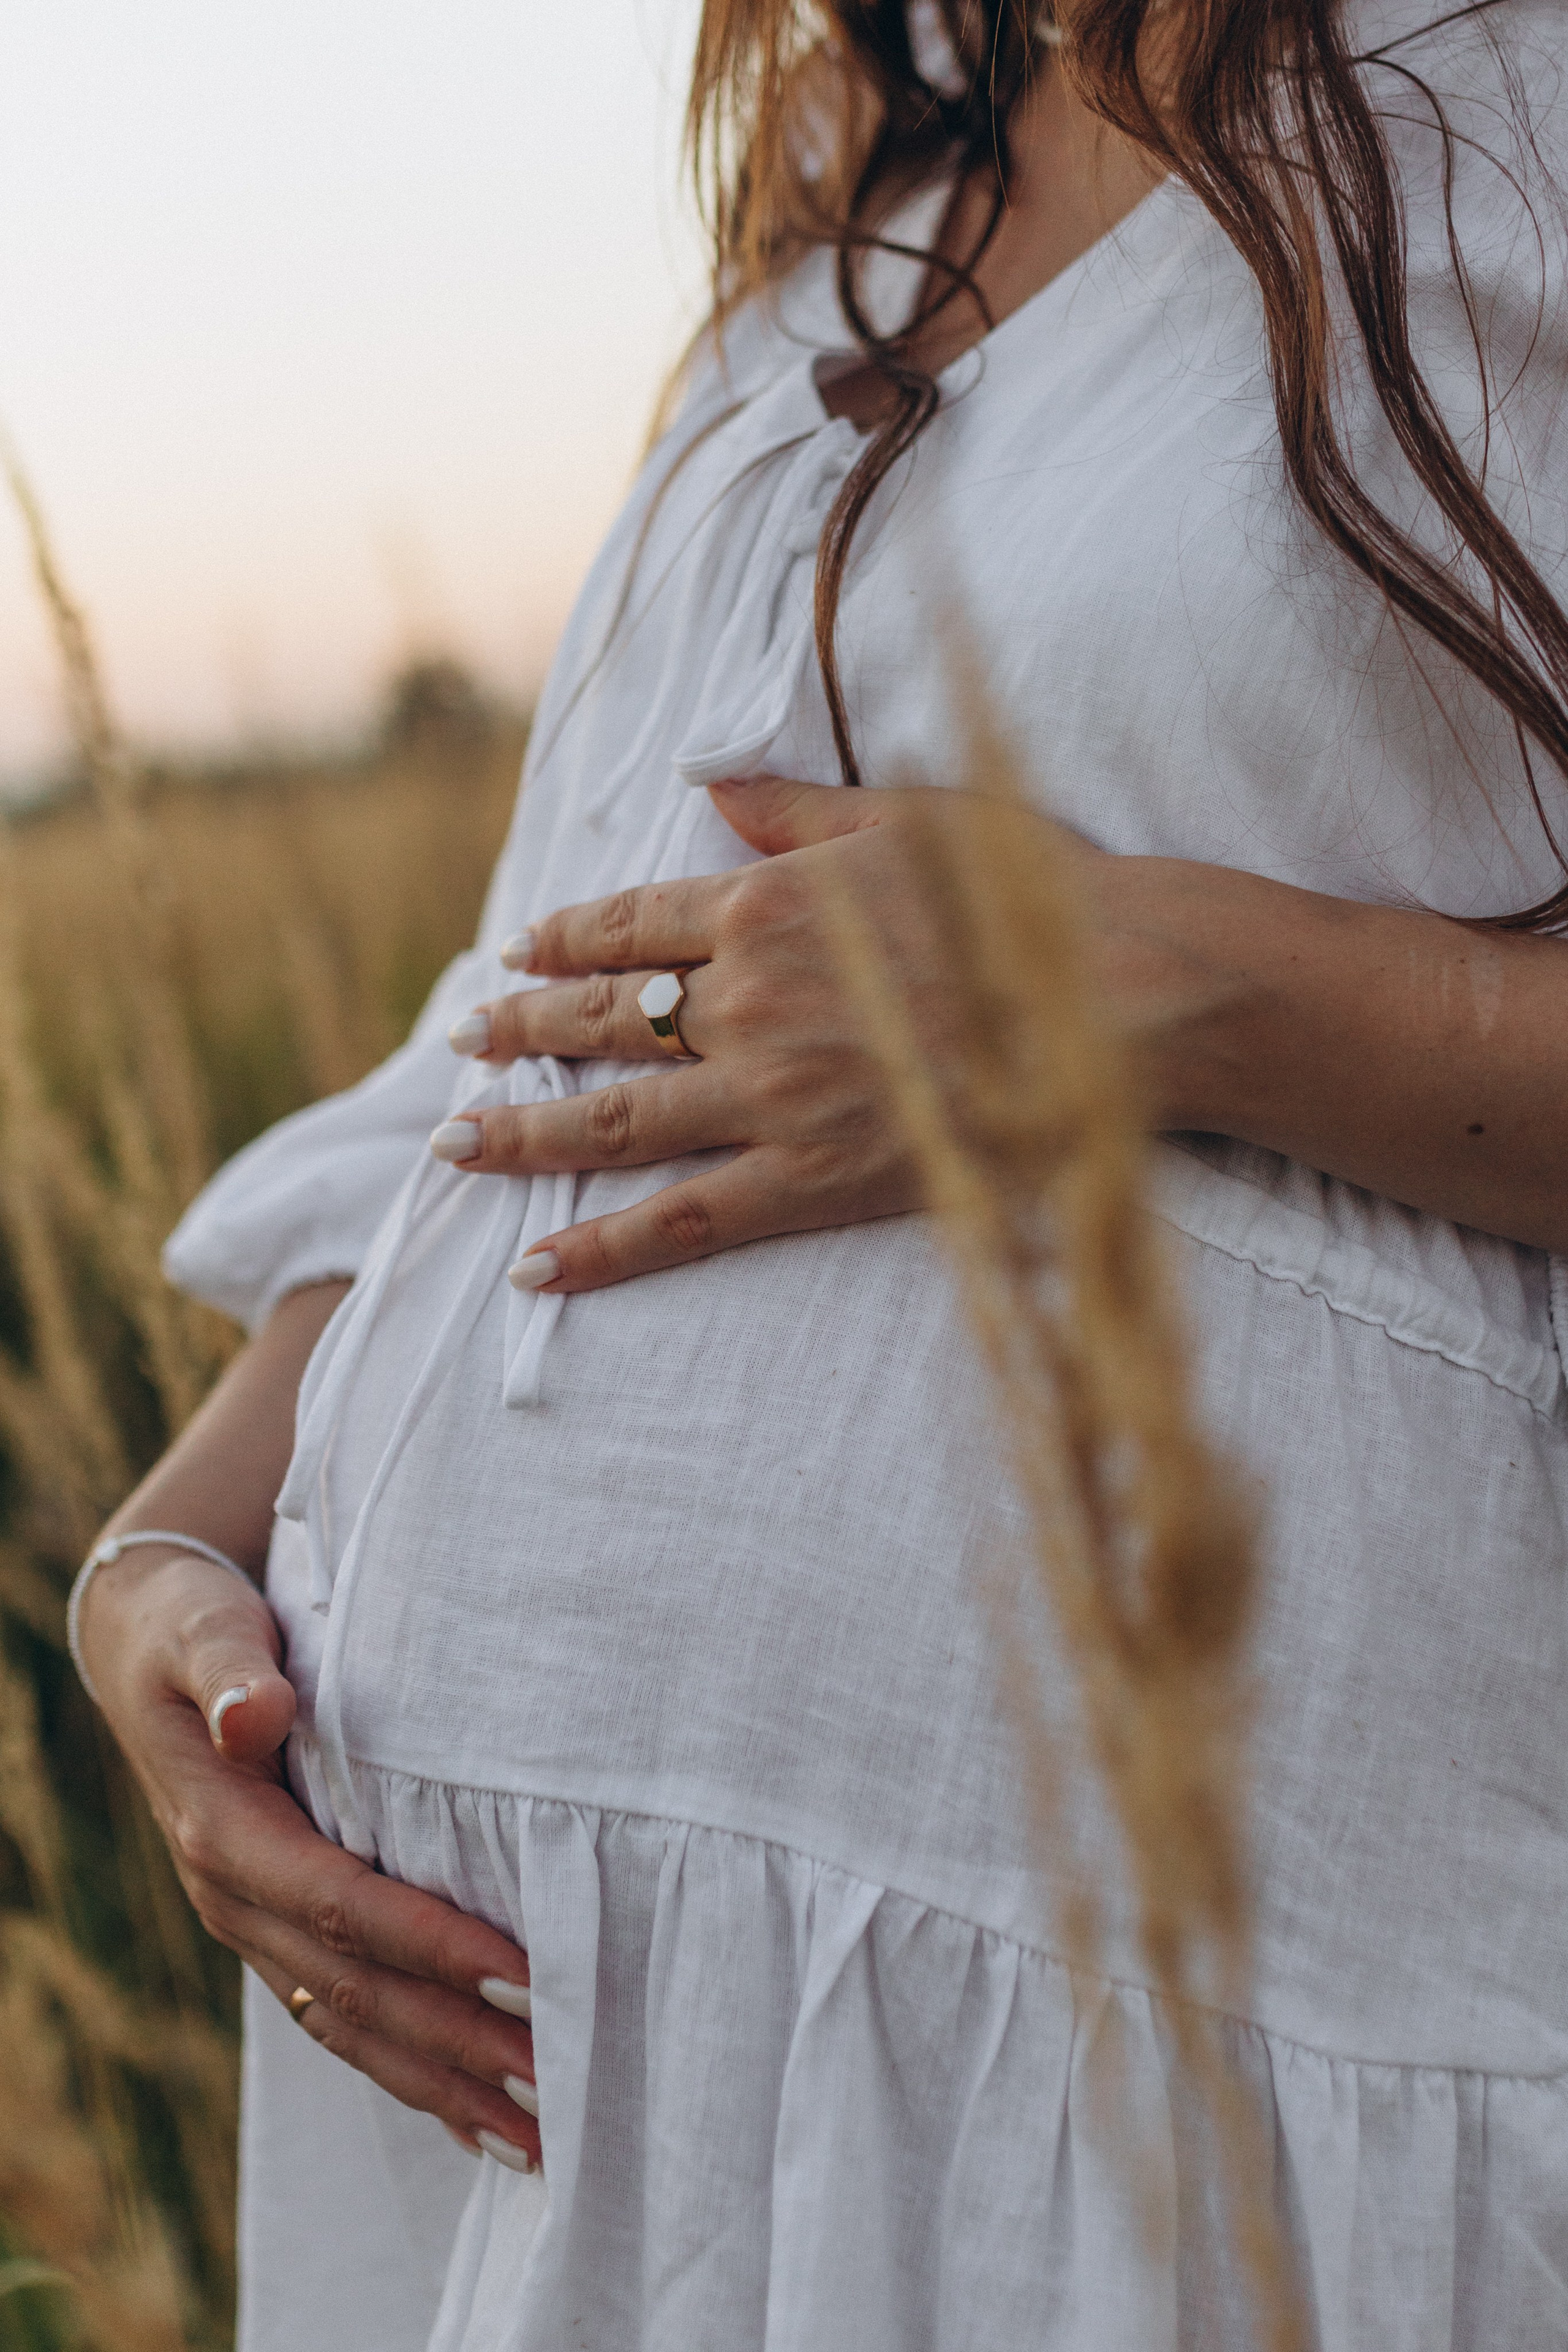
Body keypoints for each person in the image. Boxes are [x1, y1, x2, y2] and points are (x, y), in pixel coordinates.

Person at [75, 0, 1568, 2343]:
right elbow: (532, 1017)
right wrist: (172, 1553)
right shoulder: (859, 191)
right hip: (574, 2079)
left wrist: (1154, 988)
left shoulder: (1512, 104)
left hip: (1158, 2085)